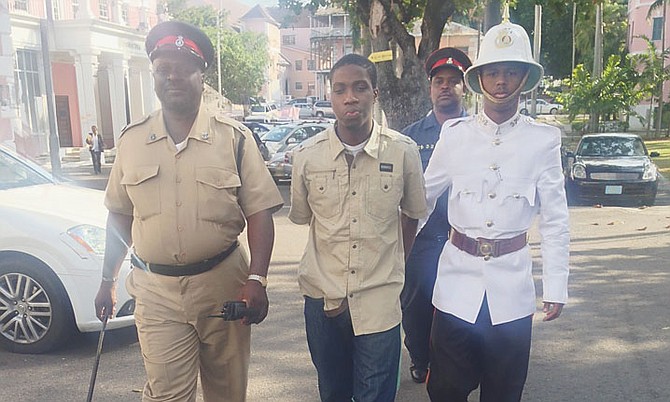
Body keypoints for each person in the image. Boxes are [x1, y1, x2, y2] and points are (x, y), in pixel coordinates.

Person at [94, 20, 283, 402]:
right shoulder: (132, 141)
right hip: (157, 290)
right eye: (163, 69)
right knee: (165, 395)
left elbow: (260, 211)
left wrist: (257, 280)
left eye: (183, 68)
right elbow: (120, 215)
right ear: (153, 76)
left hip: (222, 285)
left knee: (227, 392)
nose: (173, 77)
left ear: (202, 75)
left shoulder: (234, 139)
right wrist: (106, 280)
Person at [422, 14, 570, 402]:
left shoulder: (543, 141)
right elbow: (420, 200)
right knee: (446, 391)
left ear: (524, 78)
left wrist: (556, 285)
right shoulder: (455, 136)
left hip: (512, 292)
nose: (500, 81)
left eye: (510, 72)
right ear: (479, 79)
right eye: (492, 72)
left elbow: (555, 220)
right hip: (456, 286)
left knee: (504, 393)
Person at [289, 53, 427, 402]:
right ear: (331, 96)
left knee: (376, 395)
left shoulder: (403, 152)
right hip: (323, 300)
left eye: (360, 87)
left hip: (379, 299)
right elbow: (305, 217)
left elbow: (411, 215)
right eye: (340, 89)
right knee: (333, 392)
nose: (350, 97)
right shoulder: (307, 156)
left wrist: (394, 263)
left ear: (375, 94)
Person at [400, 47, 472, 384]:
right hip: (423, 238)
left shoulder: (480, 134)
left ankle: (458, 360)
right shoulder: (412, 137)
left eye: (453, 81)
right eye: (439, 81)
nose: (446, 87)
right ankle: (420, 357)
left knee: (463, 303)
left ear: (464, 88)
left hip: (465, 237)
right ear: (430, 88)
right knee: (416, 302)